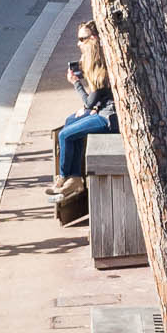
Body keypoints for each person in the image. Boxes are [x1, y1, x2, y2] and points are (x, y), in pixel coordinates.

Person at [55, 20, 118, 223]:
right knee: (69, 121)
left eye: (82, 39)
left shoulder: (101, 66)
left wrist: (76, 84)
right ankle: (73, 177)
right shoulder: (94, 62)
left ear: (94, 39)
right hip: (101, 111)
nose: (78, 43)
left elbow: (89, 102)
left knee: (66, 134)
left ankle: (68, 177)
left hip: (109, 118)